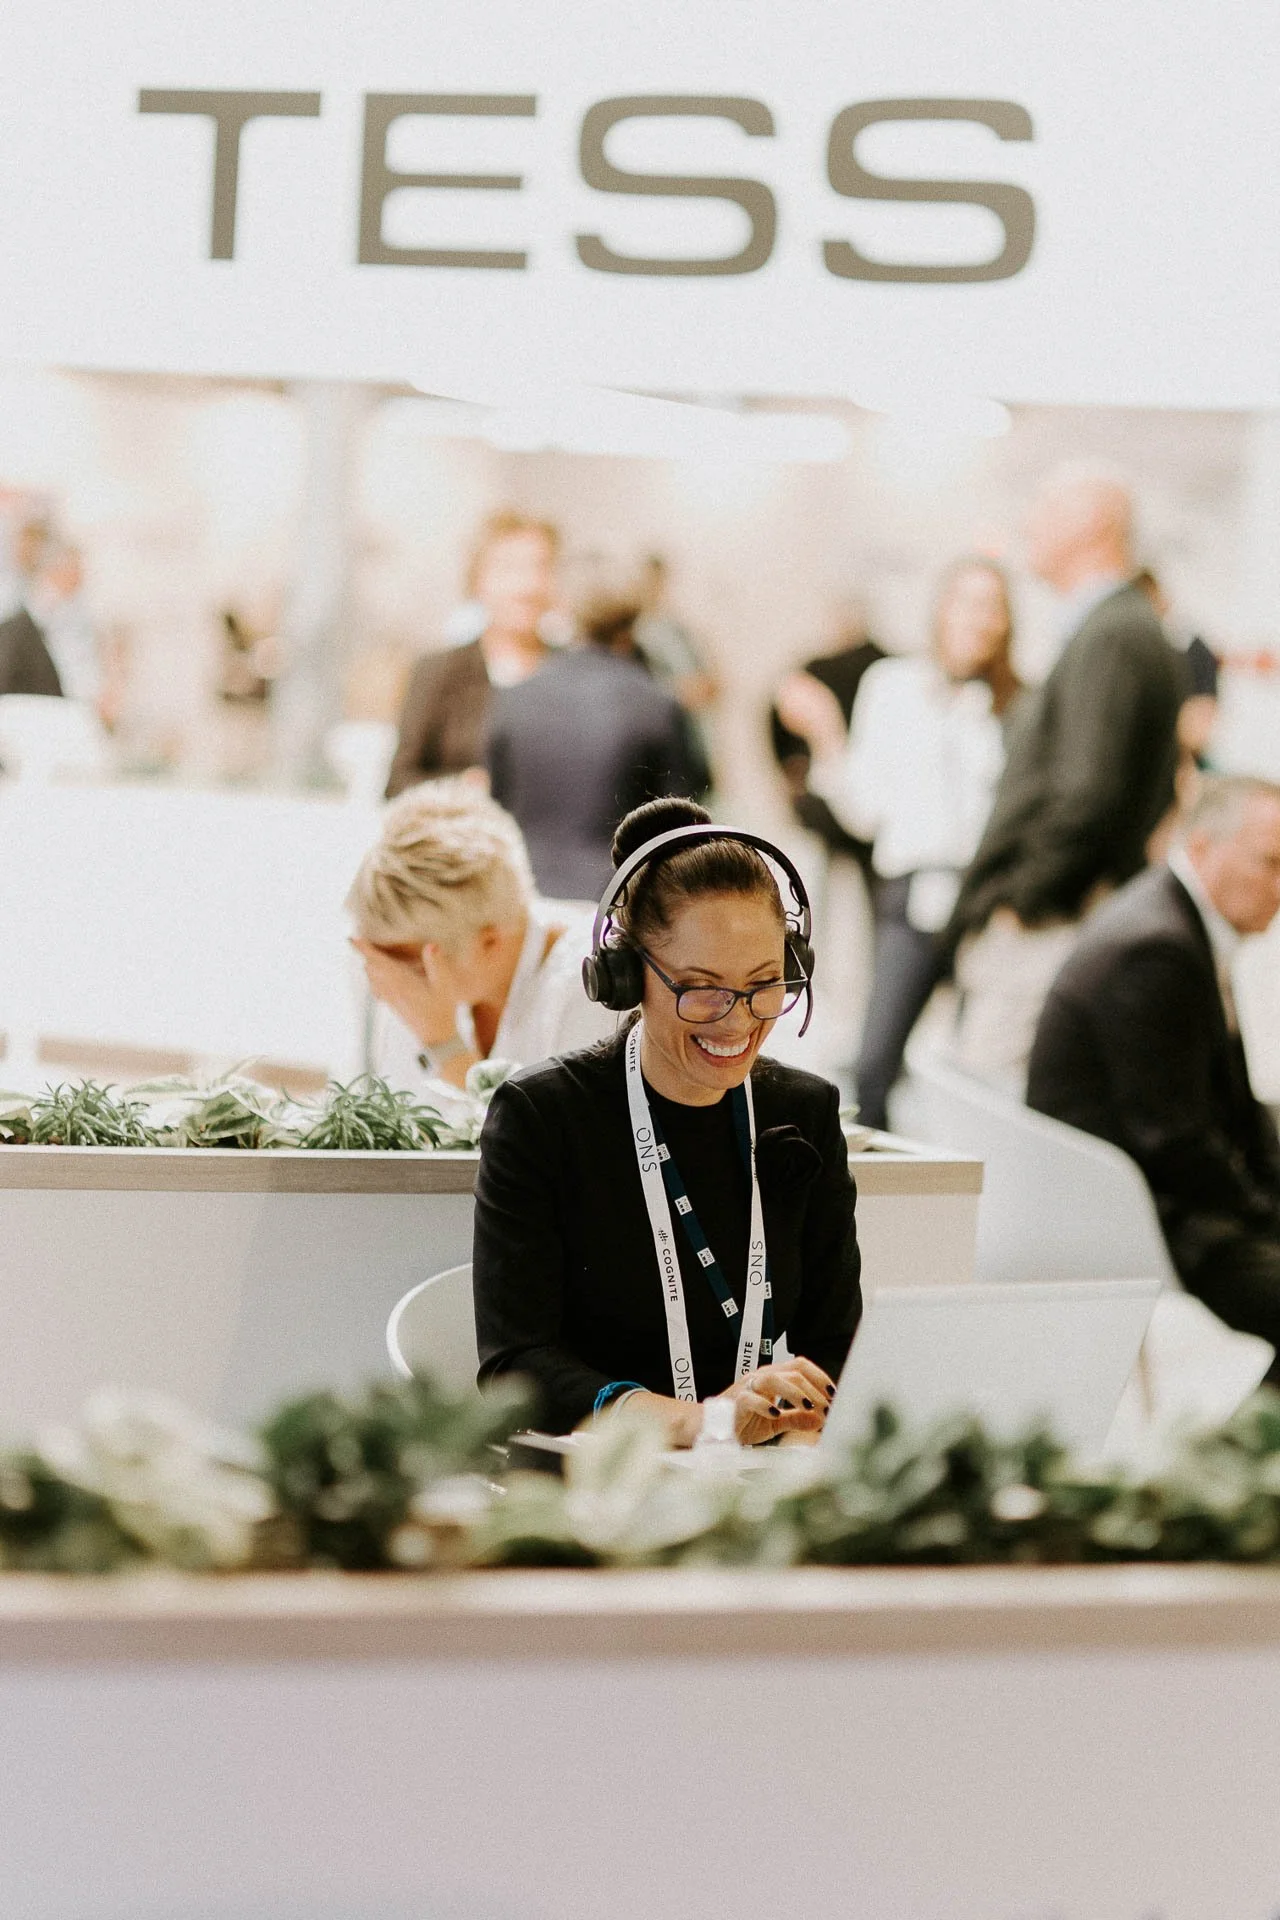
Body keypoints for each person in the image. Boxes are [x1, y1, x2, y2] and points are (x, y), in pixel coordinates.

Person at [473, 796, 862, 1443]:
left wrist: (797, 1425)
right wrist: (704, 1422)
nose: (737, 1019)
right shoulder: (542, 1117)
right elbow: (515, 1365)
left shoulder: (805, 1112)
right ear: (626, 976)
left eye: (765, 982)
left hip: (757, 1477)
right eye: (702, 987)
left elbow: (838, 1343)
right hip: (594, 1479)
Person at [1028, 776, 1280, 1374]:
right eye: (1271, 863)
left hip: (1144, 1189)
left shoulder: (1168, 918)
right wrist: (1267, 1214)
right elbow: (1175, 1140)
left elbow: (1224, 1108)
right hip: (1135, 1215)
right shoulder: (1157, 949)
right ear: (1203, 848)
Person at [945, 465, 1185, 1087]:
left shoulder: (1113, 632)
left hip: (1049, 920)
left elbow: (1087, 793)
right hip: (1061, 910)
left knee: (990, 1096)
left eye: (1045, 510)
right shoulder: (1116, 625)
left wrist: (1024, 900)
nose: (1030, 525)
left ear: (1092, 526)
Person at [777, 557, 1021, 1129]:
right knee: (876, 1060)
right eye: (966, 602)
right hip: (912, 892)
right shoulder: (894, 686)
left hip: (992, 897)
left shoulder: (1018, 705)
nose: (978, 619)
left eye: (992, 606)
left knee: (980, 1071)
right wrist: (826, 735)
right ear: (941, 609)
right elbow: (864, 814)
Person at [348, 778, 617, 1091]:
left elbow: (560, 1122)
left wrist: (444, 1046)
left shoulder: (593, 985)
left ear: (490, 942)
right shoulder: (408, 969)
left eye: (413, 969)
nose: (386, 986)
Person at [486, 595, 706, 900]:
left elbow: (498, 796)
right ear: (629, 631)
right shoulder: (655, 702)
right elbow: (685, 806)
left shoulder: (514, 698)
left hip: (524, 888)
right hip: (616, 894)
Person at [385, 511, 559, 798]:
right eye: (508, 569)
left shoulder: (572, 674)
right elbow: (397, 784)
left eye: (541, 567)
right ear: (477, 580)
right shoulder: (438, 672)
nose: (527, 586)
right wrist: (462, 786)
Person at [769, 598, 885, 882]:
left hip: (834, 788)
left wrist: (792, 768)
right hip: (843, 789)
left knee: (815, 883)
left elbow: (778, 714)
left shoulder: (818, 671)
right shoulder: (883, 665)